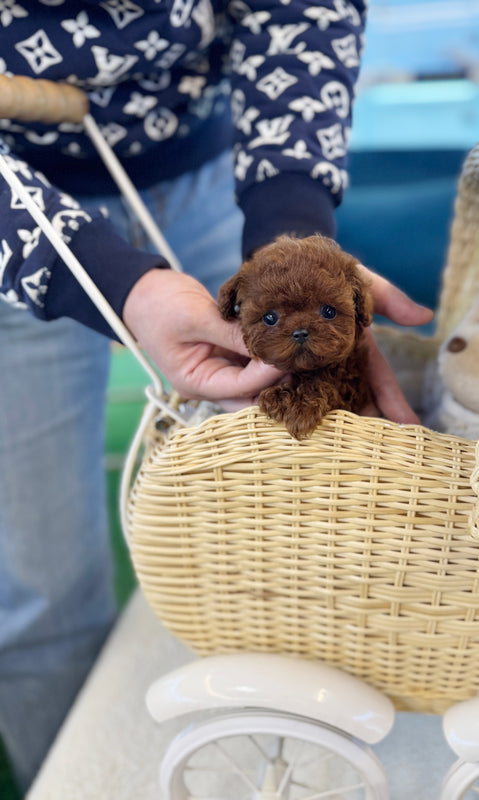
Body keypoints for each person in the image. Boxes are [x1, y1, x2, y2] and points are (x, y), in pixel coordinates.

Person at [0, 3, 432, 792]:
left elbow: (300, 11)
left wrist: (291, 228)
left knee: (297, 512)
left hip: (215, 174)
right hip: (17, 217)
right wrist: (113, 280)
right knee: (43, 589)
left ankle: (298, 723)